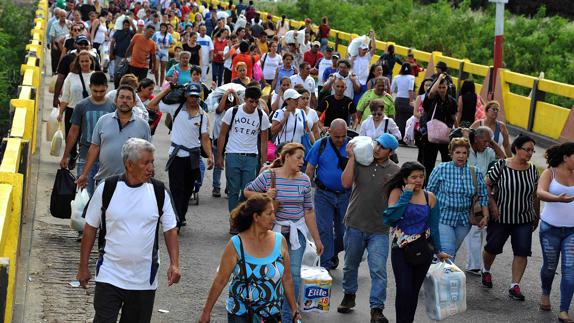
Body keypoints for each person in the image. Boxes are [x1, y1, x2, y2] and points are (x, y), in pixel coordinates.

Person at [77, 138, 180, 323]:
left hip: (143, 280)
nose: (151, 168)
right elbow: (90, 228)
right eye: (145, 162)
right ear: (129, 164)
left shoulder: (159, 192)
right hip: (109, 275)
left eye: (152, 162)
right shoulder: (107, 189)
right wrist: (83, 266)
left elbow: (170, 229)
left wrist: (174, 263)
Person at [244, 143, 323, 322]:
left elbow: (309, 211)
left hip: (297, 234)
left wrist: (317, 240)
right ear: (286, 157)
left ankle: (288, 317)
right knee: (270, 273)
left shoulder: (304, 180)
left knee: (293, 274)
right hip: (273, 233)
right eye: (299, 157)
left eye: (303, 158)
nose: (302, 162)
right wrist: (265, 196)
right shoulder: (269, 176)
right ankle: (267, 312)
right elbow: (247, 192)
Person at [198, 194, 302, 322]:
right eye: (269, 214)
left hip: (272, 315)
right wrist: (206, 312)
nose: (274, 218)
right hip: (241, 315)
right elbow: (221, 280)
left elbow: (287, 278)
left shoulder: (280, 241)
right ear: (256, 217)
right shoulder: (236, 244)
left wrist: (294, 309)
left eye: (274, 213)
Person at [337, 133, 401, 323]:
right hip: (355, 223)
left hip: (379, 229)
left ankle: (376, 309)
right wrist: (351, 159)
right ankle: (349, 295)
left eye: (382, 147)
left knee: (378, 270)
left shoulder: (395, 171)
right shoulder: (362, 161)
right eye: (377, 144)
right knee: (350, 265)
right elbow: (346, 183)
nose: (377, 148)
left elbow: (395, 201)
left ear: (390, 151)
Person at [384, 161, 449, 323]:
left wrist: (439, 250)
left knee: (413, 291)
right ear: (405, 179)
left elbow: (434, 227)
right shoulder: (397, 192)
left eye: (421, 176)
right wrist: (406, 195)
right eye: (414, 177)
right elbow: (392, 219)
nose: (418, 180)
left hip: (423, 249)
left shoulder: (430, 197)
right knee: (404, 290)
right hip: (401, 249)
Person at [482, 135, 540, 301]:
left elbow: (535, 194)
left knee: (522, 251)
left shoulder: (532, 169)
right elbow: (486, 184)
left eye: (532, 150)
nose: (530, 153)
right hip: (500, 216)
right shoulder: (501, 165)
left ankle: (515, 285)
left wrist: (536, 215)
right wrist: (492, 204)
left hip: (524, 219)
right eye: (527, 149)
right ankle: (486, 270)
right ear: (516, 148)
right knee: (492, 247)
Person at [77, 85, 151, 189]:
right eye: (121, 97)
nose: (124, 101)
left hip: (133, 183)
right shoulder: (103, 121)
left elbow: (147, 155)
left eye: (129, 98)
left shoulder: (143, 126)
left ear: (134, 103)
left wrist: (147, 178)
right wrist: (84, 175)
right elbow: (94, 148)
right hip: (104, 181)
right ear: (115, 100)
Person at [426, 137, 489, 259]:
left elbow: (483, 195)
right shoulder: (441, 169)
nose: (461, 156)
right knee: (448, 251)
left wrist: (485, 216)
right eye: (457, 152)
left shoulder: (474, 171)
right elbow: (429, 193)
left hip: (464, 221)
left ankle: (433, 270)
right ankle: (448, 277)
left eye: (464, 153)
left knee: (451, 251)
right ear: (451, 153)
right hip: (443, 217)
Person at [217, 86, 270, 223]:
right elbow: (222, 134)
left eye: (256, 102)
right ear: (244, 99)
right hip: (233, 154)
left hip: (251, 157)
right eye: (251, 101)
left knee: (248, 192)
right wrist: (219, 156)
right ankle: (234, 220)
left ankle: (242, 219)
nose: (253, 105)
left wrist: (264, 163)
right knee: (233, 190)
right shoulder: (232, 112)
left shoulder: (261, 115)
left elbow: (264, 141)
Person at [305, 119, 350, 270]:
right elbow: (310, 169)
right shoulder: (321, 145)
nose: (340, 140)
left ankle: (332, 253)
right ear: (329, 131)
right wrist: (304, 194)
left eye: (343, 136)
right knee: (324, 230)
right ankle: (325, 265)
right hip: (324, 194)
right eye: (337, 136)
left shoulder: (352, 147)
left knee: (344, 232)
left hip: (346, 196)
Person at [60, 72, 115, 196]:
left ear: (107, 87)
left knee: (105, 196)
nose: (98, 94)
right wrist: (65, 155)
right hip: (85, 157)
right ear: (90, 87)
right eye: (95, 91)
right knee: (85, 196)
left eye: (102, 91)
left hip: (107, 160)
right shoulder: (81, 106)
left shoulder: (113, 107)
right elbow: (73, 132)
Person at [537, 142, 574, 322]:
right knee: (550, 267)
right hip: (550, 229)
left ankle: (564, 310)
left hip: (572, 232)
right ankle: (545, 293)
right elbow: (540, 193)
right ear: (566, 157)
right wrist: (557, 199)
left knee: (570, 271)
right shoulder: (549, 172)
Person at [463, 126, 505, 275]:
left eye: (489, 141)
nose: (487, 144)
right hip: (464, 192)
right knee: (465, 229)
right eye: (485, 141)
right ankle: (470, 263)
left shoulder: (488, 151)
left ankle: (473, 265)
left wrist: (492, 143)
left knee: (477, 229)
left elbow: (503, 160)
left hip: (481, 193)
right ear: (476, 139)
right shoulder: (466, 149)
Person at [58, 50, 96, 170]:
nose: (85, 63)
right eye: (82, 61)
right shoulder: (71, 76)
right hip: (72, 110)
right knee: (71, 137)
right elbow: (65, 96)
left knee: (85, 138)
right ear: (78, 63)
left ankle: (84, 160)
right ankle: (73, 155)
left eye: (87, 61)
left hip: (89, 112)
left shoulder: (95, 76)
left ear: (91, 61)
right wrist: (60, 113)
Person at [419, 74, 457, 181]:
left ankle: (445, 182)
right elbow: (431, 93)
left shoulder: (452, 101)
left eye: (443, 87)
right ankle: (426, 183)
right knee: (428, 163)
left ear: (447, 87)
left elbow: (454, 117)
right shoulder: (431, 99)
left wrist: (459, 130)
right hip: (431, 135)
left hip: (446, 135)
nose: (441, 90)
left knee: (447, 161)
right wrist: (439, 79)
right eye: (439, 87)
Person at [349, 31, 376, 105]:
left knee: (362, 103)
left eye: (366, 49)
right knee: (352, 102)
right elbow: (349, 67)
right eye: (363, 49)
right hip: (354, 83)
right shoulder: (353, 57)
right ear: (359, 49)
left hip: (364, 83)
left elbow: (374, 49)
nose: (365, 51)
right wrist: (351, 59)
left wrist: (373, 37)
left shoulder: (367, 57)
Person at [391, 63, 415, 141]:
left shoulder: (396, 77)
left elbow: (391, 89)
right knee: (407, 119)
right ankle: (406, 138)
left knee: (398, 118)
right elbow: (410, 90)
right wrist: (411, 101)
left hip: (398, 100)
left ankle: (397, 137)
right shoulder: (411, 77)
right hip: (407, 100)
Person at [50, 8, 70, 74]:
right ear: (59, 16)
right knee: (56, 58)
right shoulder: (54, 24)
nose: (63, 18)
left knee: (65, 59)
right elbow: (52, 36)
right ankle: (54, 71)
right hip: (57, 43)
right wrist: (53, 44)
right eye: (62, 16)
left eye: (64, 16)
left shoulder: (69, 23)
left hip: (66, 44)